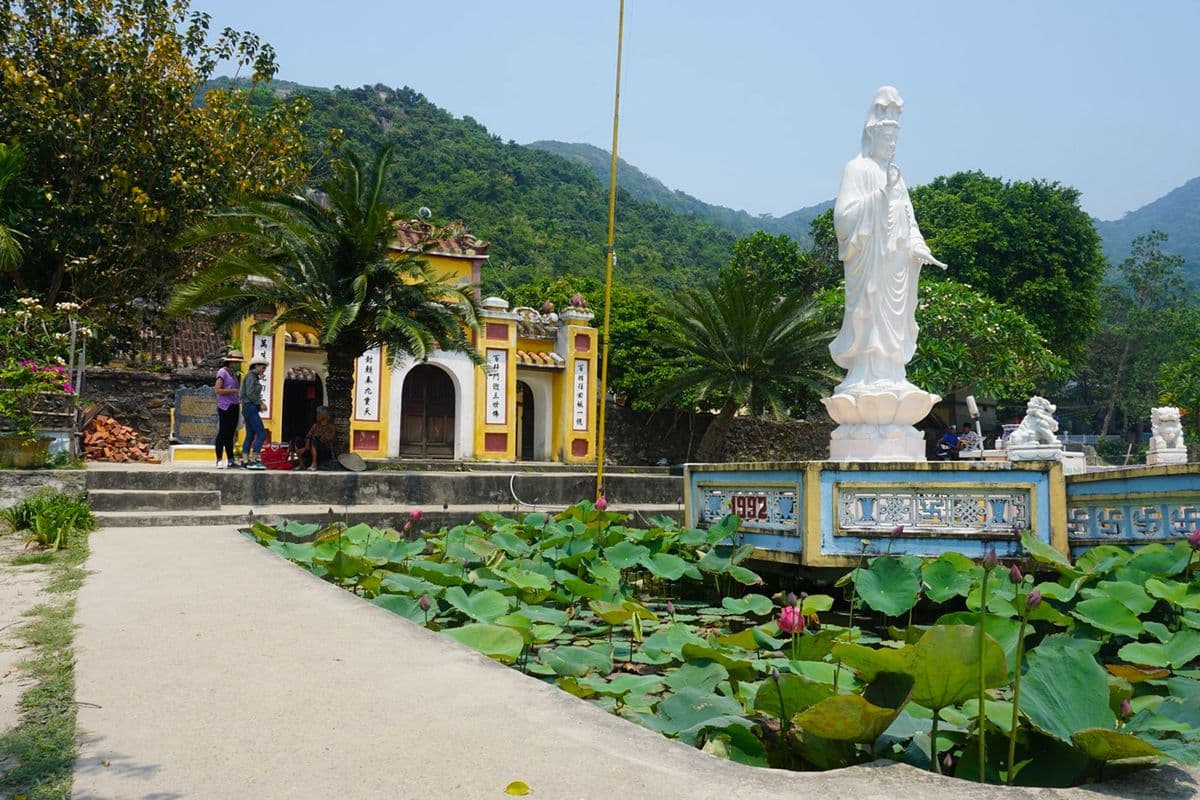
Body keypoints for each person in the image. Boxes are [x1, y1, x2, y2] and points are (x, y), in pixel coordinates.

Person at [829, 86, 947, 390]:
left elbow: (910, 221)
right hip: (871, 261)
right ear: (872, 137)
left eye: (895, 140)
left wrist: (919, 247)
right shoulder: (857, 169)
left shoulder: (898, 175)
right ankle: (867, 374)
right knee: (870, 313)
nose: (892, 145)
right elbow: (843, 218)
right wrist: (881, 195)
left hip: (896, 262)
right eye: (886, 138)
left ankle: (893, 373)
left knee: (895, 321)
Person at [213, 349, 243, 468]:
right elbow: (218, 390)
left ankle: (230, 459)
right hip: (225, 406)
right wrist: (234, 391)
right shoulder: (222, 372)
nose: (238, 364)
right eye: (236, 362)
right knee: (223, 433)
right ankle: (219, 459)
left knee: (231, 434)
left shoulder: (233, 374)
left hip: (234, 405)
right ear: (230, 362)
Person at [240, 355, 269, 469]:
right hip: (250, 407)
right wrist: (260, 403)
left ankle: (245, 460)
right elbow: (250, 393)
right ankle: (254, 459)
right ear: (256, 365)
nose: (263, 369)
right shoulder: (251, 376)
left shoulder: (253, 377)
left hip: (248, 407)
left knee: (250, 435)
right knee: (262, 434)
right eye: (262, 367)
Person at [300, 406, 335, 471]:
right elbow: (308, 436)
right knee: (297, 440)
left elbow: (327, 439)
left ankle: (314, 463)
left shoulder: (330, 427)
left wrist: (317, 436)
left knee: (314, 439)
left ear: (324, 415)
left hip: (324, 450)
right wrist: (306, 446)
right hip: (312, 447)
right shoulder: (315, 425)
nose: (317, 415)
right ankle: (301, 464)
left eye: (318, 414)